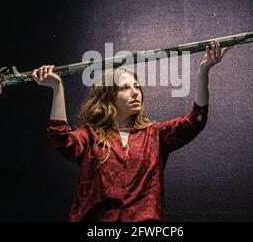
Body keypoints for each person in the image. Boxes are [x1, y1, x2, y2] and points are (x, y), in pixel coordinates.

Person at [32, 40, 231, 222]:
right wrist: (57, 87)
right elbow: (62, 140)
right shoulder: (90, 135)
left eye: (137, 86)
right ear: (109, 97)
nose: (135, 92)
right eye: (125, 88)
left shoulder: (154, 134)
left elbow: (195, 120)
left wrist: (204, 71)